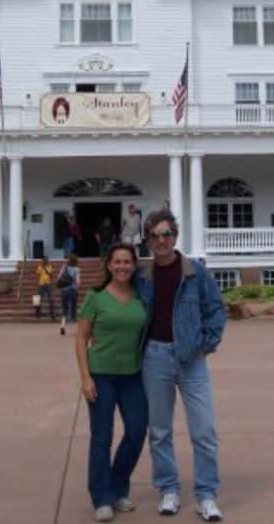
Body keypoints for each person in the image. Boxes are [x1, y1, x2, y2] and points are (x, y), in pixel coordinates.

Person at [135, 208, 227, 522]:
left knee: (203, 430)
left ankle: (206, 494)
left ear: (174, 236)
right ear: (147, 240)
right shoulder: (142, 276)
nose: (161, 240)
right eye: (154, 235)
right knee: (159, 431)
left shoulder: (195, 272)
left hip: (191, 359)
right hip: (155, 358)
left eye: (166, 234)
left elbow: (216, 309)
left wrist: (206, 344)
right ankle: (169, 489)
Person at [76, 243, 149, 522]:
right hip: (102, 376)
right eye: (117, 262)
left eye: (127, 262)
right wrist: (85, 377)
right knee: (101, 438)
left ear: (134, 265)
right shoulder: (96, 297)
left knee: (136, 432)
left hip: (133, 376)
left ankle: (119, 488)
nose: (122, 267)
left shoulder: (141, 297)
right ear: (108, 265)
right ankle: (102, 497)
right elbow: (81, 338)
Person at [58, 253, 81, 336]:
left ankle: (62, 326)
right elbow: (78, 282)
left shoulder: (64, 267)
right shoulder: (77, 269)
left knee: (65, 309)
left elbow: (58, 278)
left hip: (64, 290)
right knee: (73, 309)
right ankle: (78, 329)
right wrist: (77, 287)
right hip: (73, 290)